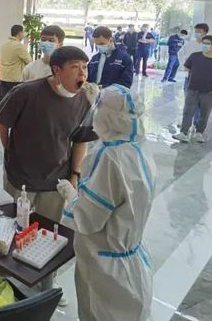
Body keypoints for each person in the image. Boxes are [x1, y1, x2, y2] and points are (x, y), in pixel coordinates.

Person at [58, 84, 155, 321]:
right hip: (130, 259)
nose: (95, 115)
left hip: (105, 267)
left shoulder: (109, 158)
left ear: (110, 117)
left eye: (99, 109)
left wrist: (70, 195)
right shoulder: (138, 151)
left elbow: (88, 218)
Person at [0, 46, 98, 223]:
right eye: (75, 67)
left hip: (56, 180)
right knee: (13, 225)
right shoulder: (26, 92)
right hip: (21, 176)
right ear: (57, 70)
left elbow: (80, 140)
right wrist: (9, 149)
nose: (82, 73)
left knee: (48, 229)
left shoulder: (84, 100)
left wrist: (74, 174)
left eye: (85, 67)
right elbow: (2, 121)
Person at [173, 35, 212, 143]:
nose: (204, 45)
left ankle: (199, 133)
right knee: (188, 111)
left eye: (207, 44)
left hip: (208, 92)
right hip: (192, 89)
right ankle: (183, 132)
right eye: (203, 43)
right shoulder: (195, 56)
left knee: (204, 114)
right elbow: (186, 67)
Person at [0, 24, 32, 133]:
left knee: (2, 101)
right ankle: (17, 125)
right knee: (18, 102)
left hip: (4, 77)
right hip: (15, 79)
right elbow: (29, 61)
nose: (23, 35)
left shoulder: (5, 45)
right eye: (23, 33)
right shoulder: (19, 46)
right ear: (19, 33)